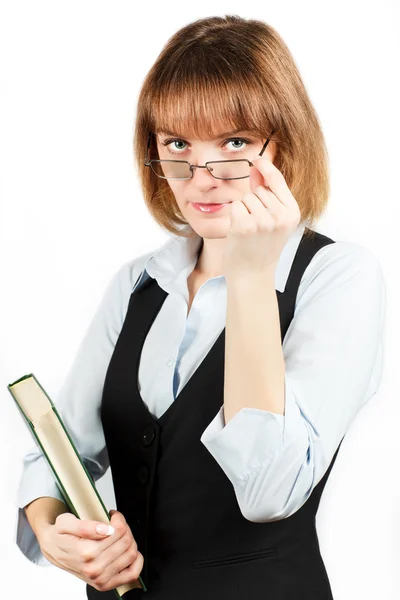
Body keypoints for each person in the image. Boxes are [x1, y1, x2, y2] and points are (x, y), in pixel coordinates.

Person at [16, 14, 386, 600]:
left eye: (234, 142)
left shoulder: (337, 278)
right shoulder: (138, 282)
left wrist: (250, 273)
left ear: (282, 143)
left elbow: (269, 491)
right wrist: (57, 530)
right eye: (178, 144)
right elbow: (60, 450)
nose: (201, 177)